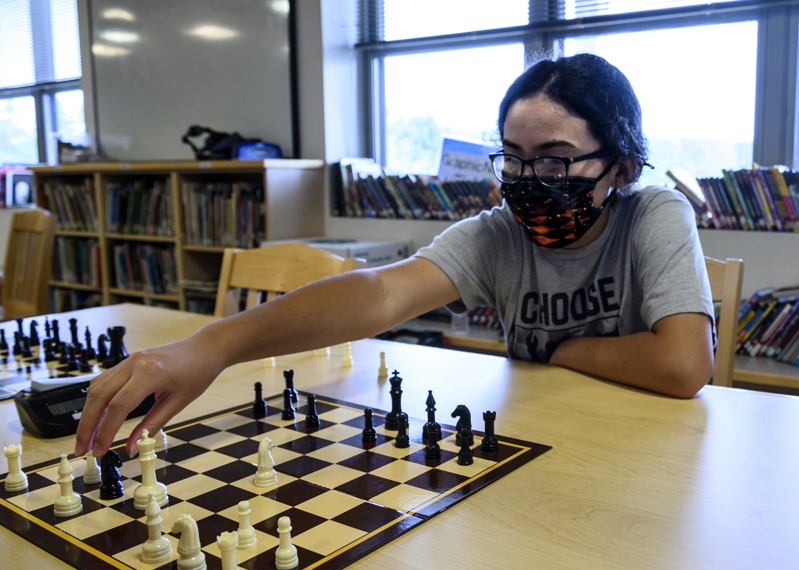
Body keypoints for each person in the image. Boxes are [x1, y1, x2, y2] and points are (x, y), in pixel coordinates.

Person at [75, 53, 714, 460]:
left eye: (553, 158)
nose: (527, 178)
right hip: (539, 443)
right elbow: (378, 293)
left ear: (622, 166)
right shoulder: (499, 233)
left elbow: (683, 365)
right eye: (514, 158)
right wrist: (210, 346)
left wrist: (554, 346)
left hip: (644, 453)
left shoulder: (654, 215)